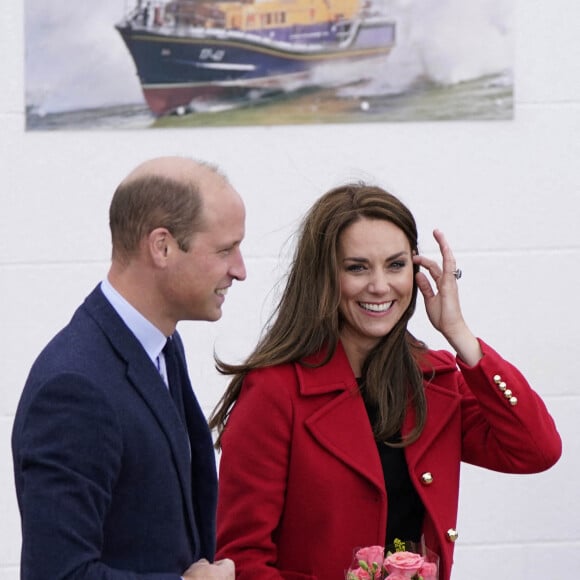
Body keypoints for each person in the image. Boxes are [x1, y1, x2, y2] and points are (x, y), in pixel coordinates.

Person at [209, 183, 561, 580]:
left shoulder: (435, 378)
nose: (380, 286)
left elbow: (536, 450)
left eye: (396, 265)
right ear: (323, 276)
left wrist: (459, 333)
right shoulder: (274, 390)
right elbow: (243, 561)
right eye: (357, 267)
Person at [12, 156, 246, 579]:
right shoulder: (74, 387)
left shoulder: (160, 347)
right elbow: (57, 574)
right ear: (162, 246)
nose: (240, 270)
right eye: (226, 249)